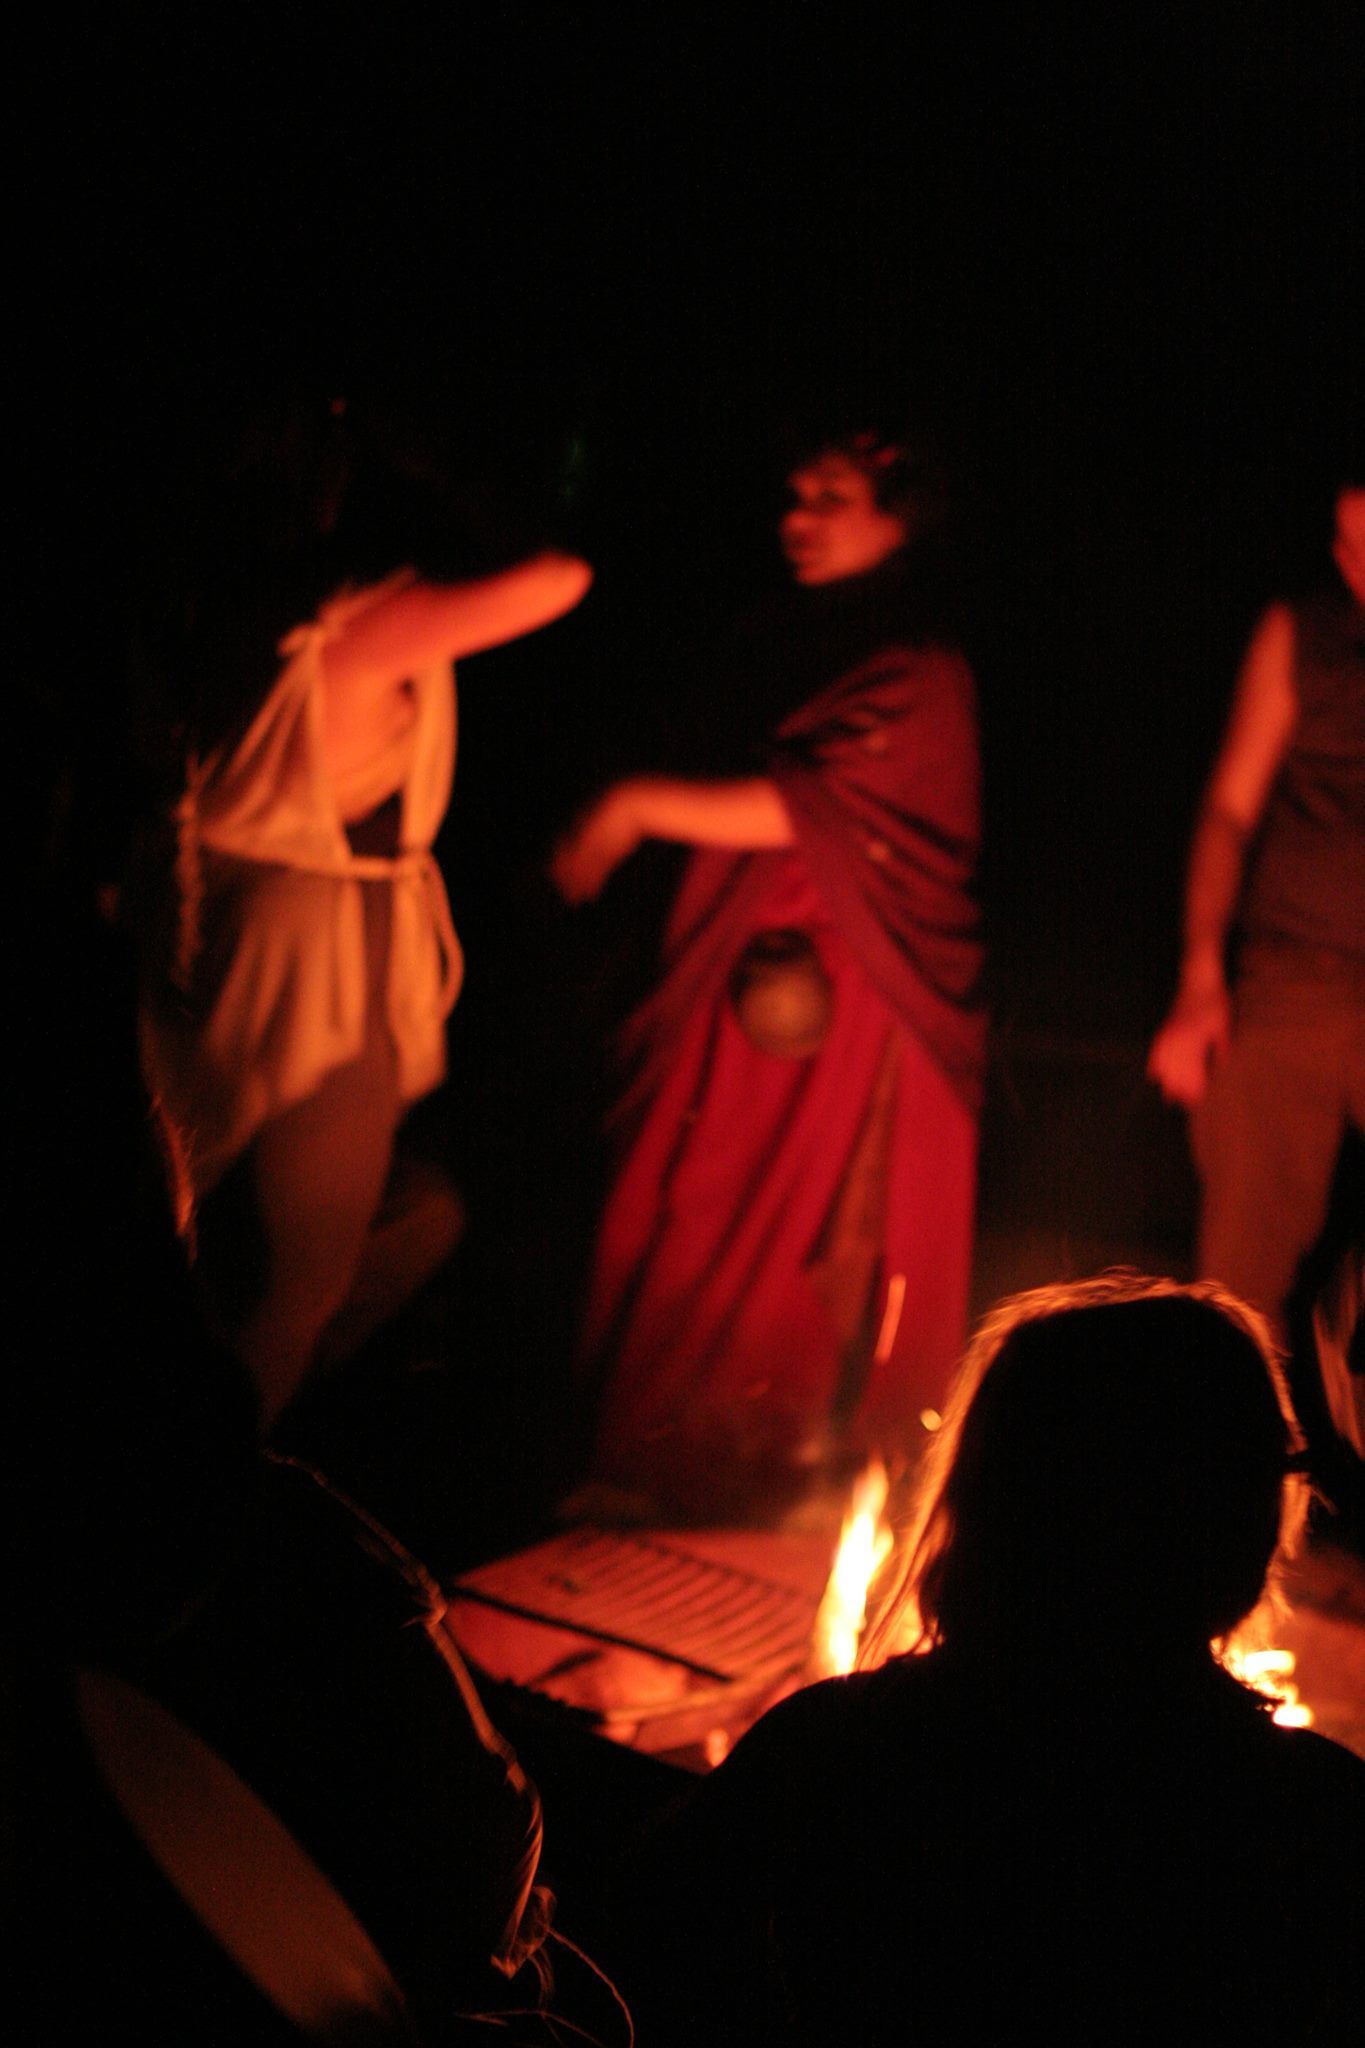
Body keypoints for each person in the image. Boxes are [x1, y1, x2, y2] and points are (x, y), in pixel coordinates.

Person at [605, 1275, 1364, 2045]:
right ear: (1231, 1521)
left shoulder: (831, 1745)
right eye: (1275, 1468)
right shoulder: (1312, 1818)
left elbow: (643, 1928)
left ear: (986, 1499)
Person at [553, 426, 985, 1519]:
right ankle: (650, 1477)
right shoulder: (790, 637)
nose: (797, 517)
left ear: (904, 518)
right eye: (793, 493)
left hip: (830, 1010)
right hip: (725, 994)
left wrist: (633, 804)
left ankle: (758, 1489)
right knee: (684, 1213)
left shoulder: (917, 667)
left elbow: (817, 806)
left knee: (779, 1243)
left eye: (830, 496)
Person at [135, 391, 592, 1423]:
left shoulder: (220, 608)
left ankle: (203, 1459)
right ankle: (206, 1506)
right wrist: (450, 470)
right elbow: (559, 575)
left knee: (322, 1230)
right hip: (314, 943)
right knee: (296, 1278)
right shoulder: (343, 619)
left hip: (247, 918)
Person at [1147, 480, 1364, 1339]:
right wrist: (1201, 978)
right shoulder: (1301, 633)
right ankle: (1228, 1453)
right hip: (1294, 972)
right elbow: (1228, 812)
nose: (1359, 566)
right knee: (1240, 1277)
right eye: (1347, 545)